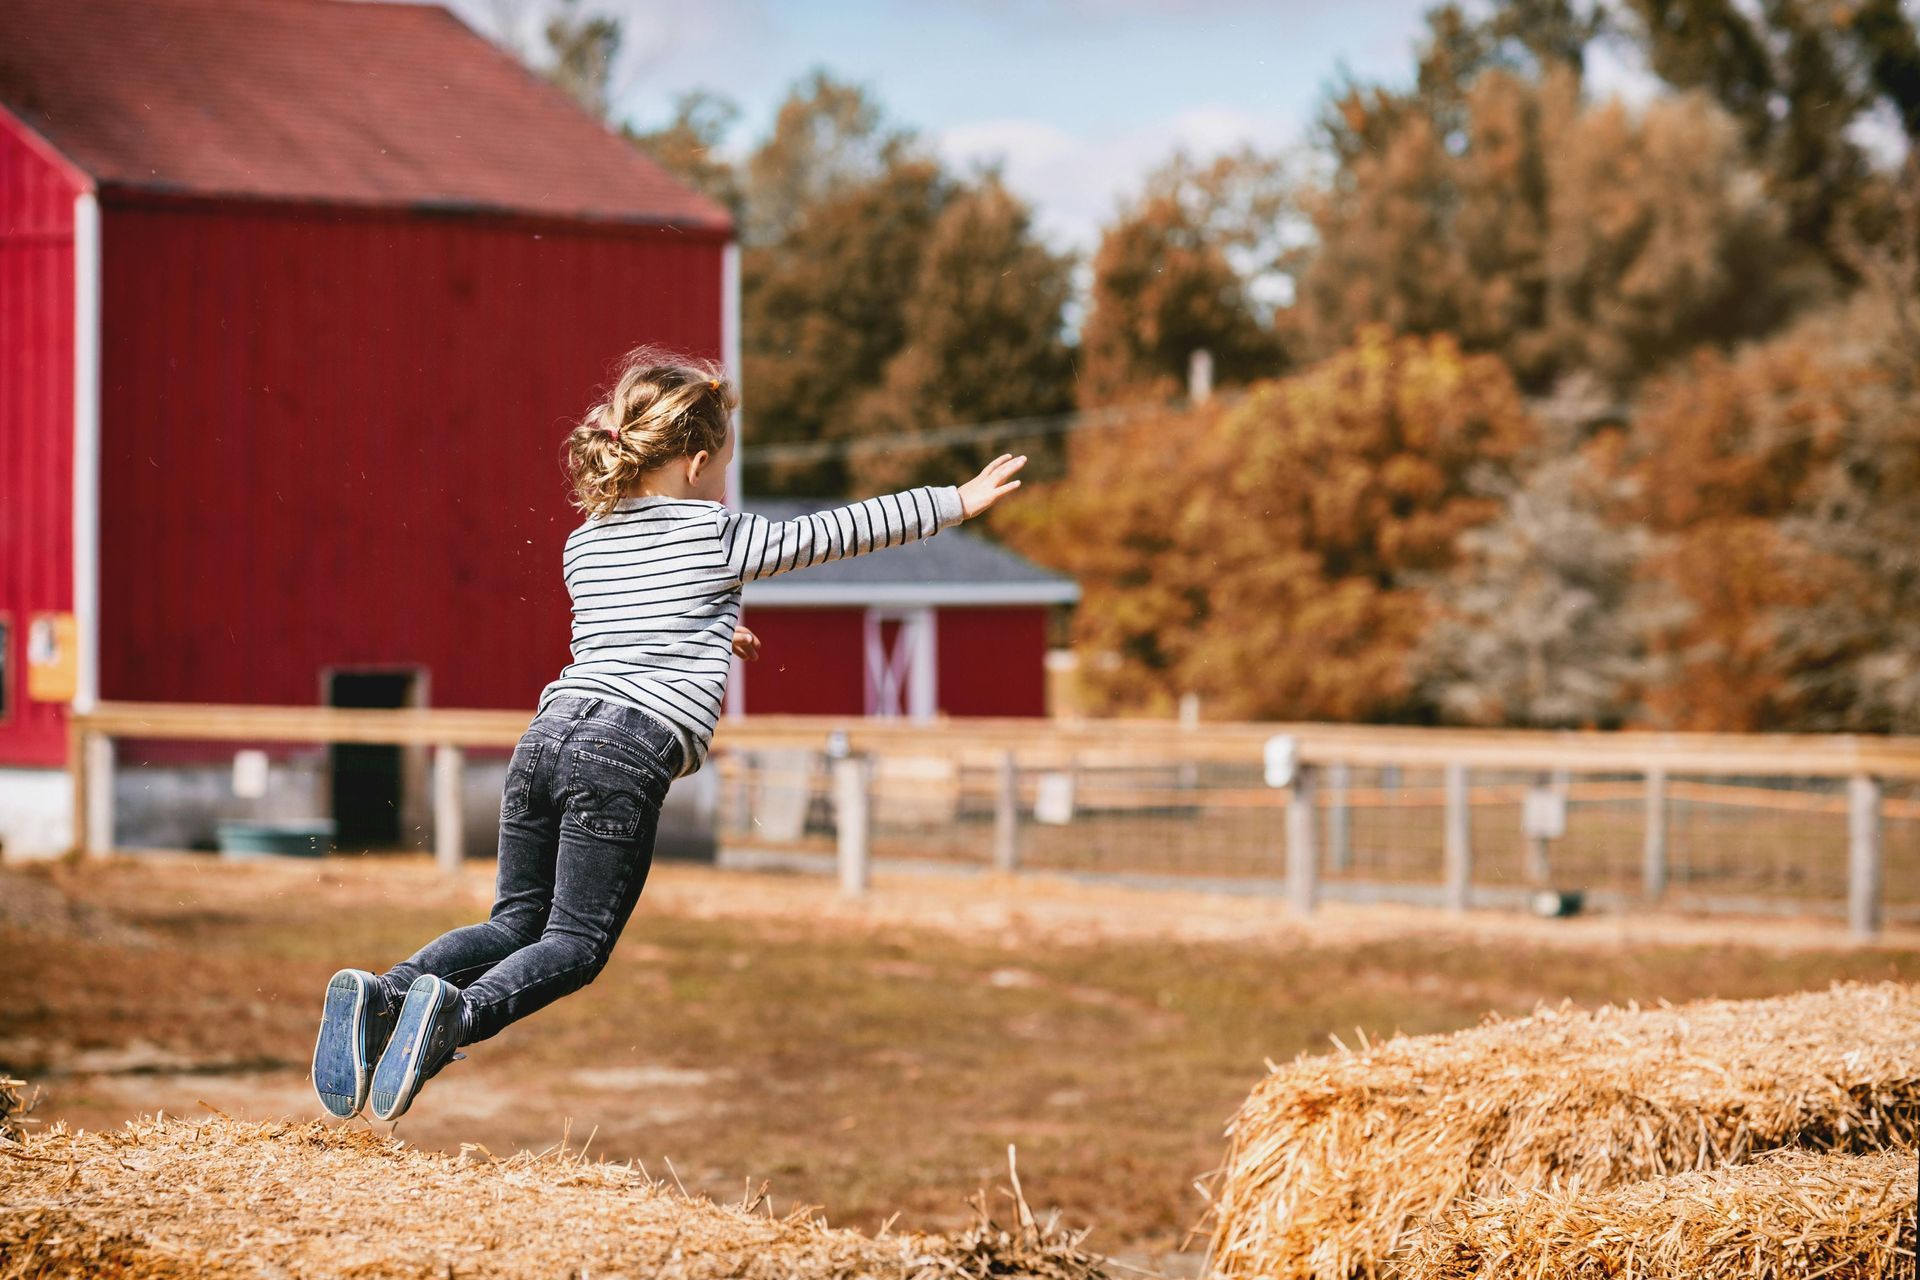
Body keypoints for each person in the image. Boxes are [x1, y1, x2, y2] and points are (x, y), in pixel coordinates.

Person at [310, 346, 1027, 1121]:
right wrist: (955, 499)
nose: (724, 485)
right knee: (576, 942)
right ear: (693, 464)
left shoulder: (583, 544)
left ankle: (384, 992)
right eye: (722, 467)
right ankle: (457, 1016)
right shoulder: (716, 536)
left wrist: (721, 634)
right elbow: (841, 530)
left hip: (546, 737)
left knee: (513, 922)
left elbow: (635, 628)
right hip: (622, 752)